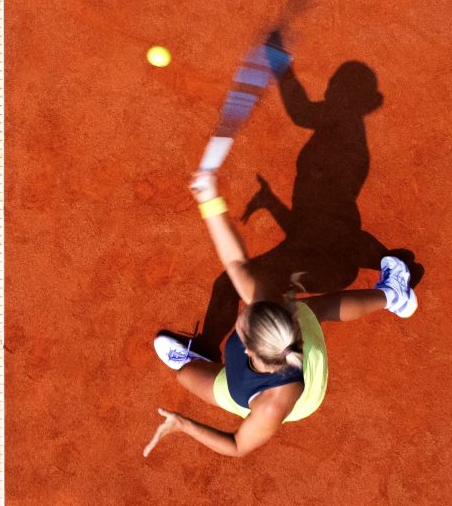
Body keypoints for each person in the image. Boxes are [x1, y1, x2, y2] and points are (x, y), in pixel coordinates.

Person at [142, 168, 417, 459]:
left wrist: (184, 425)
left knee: (185, 374)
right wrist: (209, 198)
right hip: (289, 336)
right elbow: (236, 262)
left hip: (286, 390)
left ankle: (394, 296)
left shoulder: (272, 406)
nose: (243, 308)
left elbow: (237, 445)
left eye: (242, 320)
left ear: (246, 348)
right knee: (315, 309)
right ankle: (394, 295)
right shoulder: (277, 310)